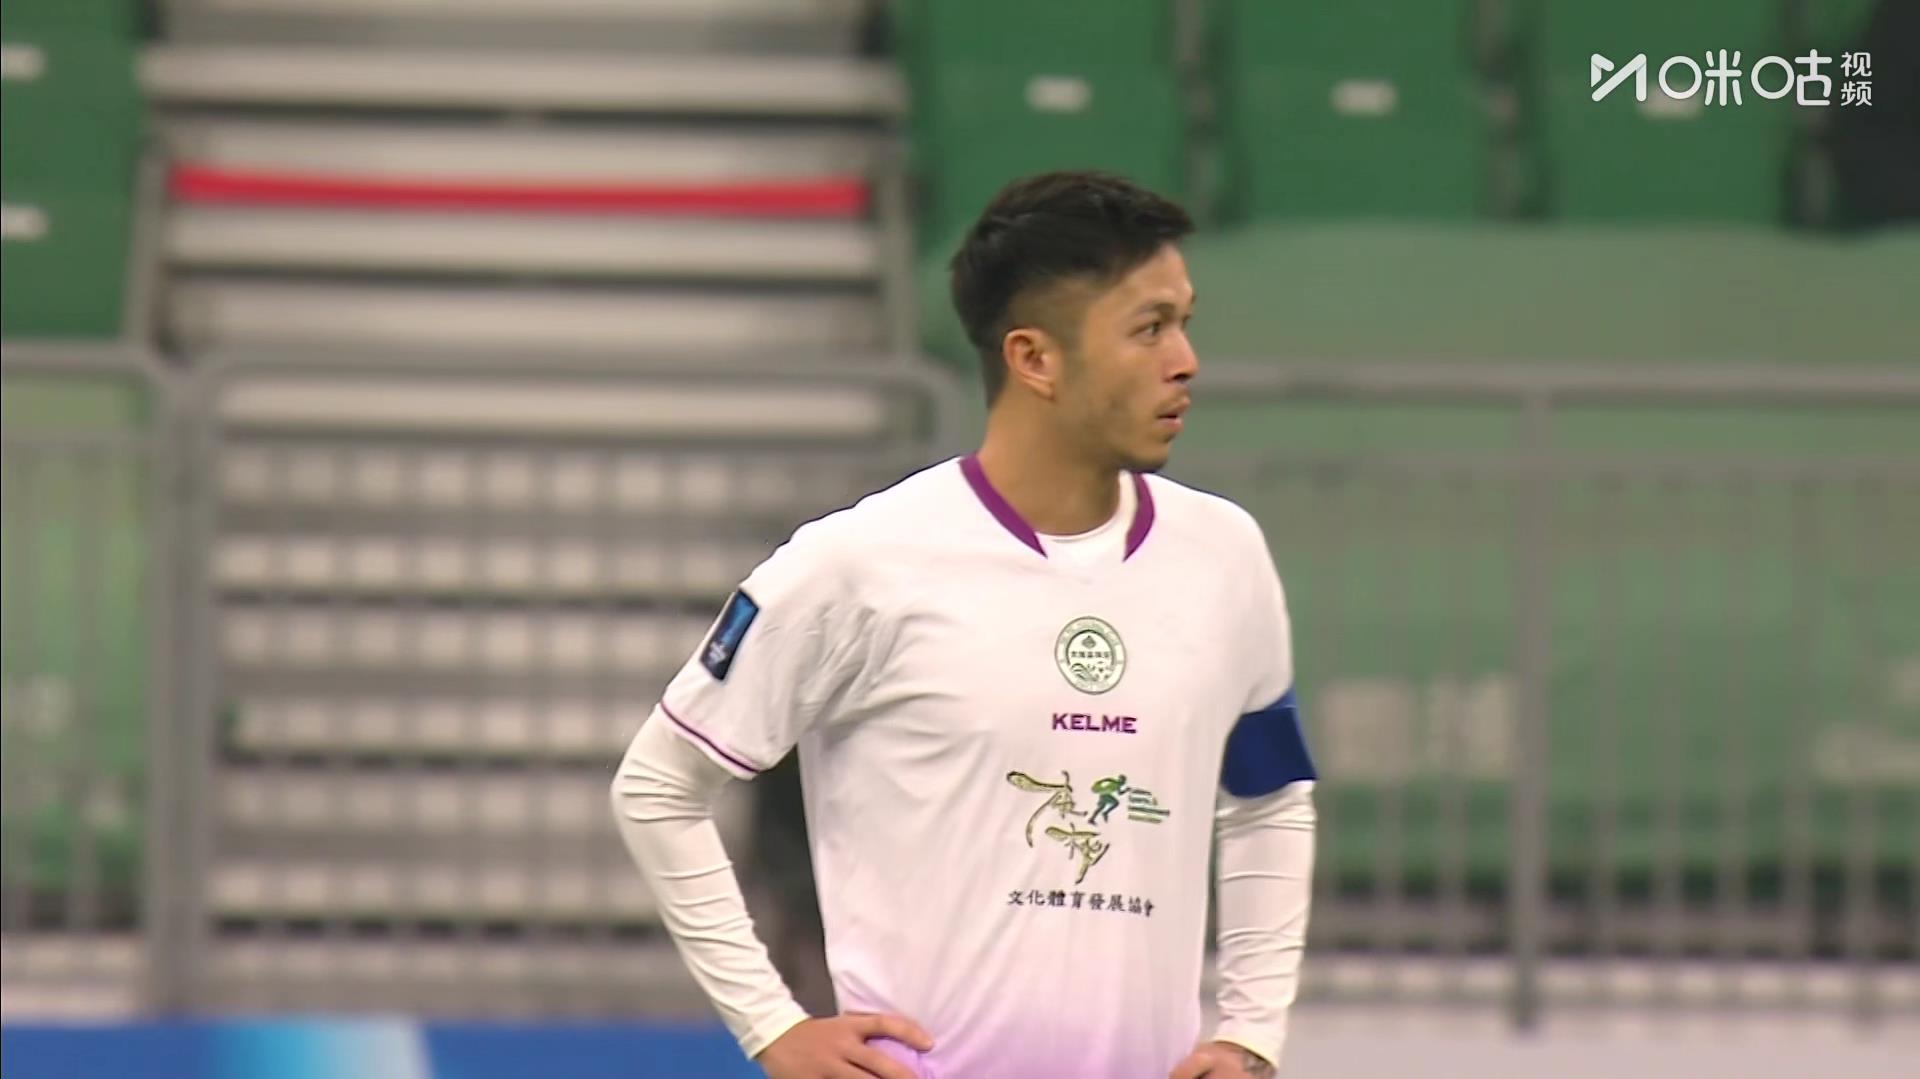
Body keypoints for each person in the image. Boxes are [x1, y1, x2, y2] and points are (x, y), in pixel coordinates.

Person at [611, 170, 1317, 1079]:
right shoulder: (859, 562)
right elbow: (658, 787)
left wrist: (1251, 1032)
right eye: (1149, 328)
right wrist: (772, 1025)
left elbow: (1270, 797)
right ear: (1034, 359)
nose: (1185, 360)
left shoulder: (1225, 554)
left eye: (1184, 322)